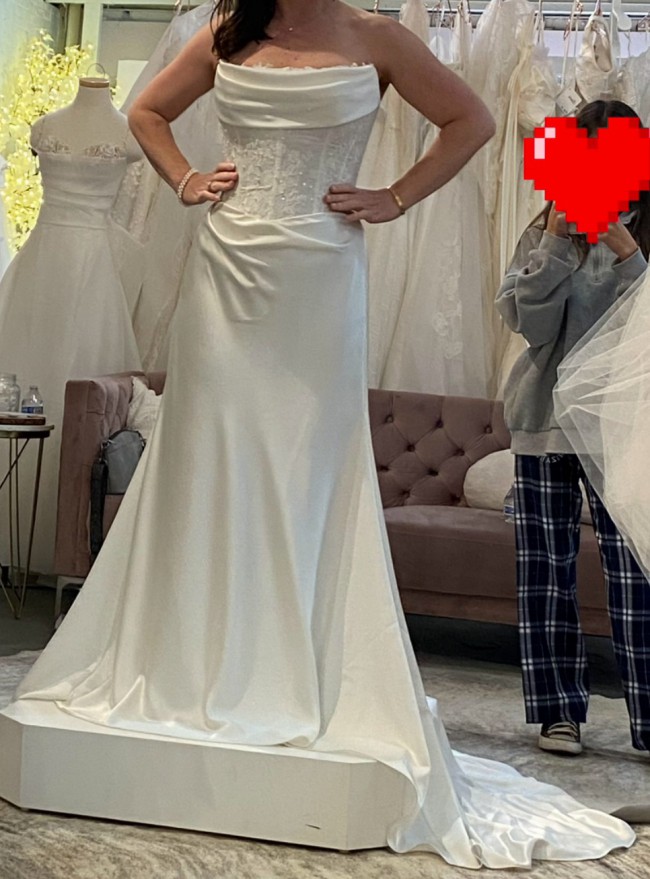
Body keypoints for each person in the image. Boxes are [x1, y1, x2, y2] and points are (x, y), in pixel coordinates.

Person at [9, 3, 636, 867]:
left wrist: (395, 196)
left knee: (306, 467)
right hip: (227, 269)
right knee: (206, 454)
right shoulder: (229, 29)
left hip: (320, 270)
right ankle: (187, 659)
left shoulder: (377, 36)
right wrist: (187, 180)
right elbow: (146, 111)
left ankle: (292, 668)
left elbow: (472, 121)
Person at [496, 99, 650, 758]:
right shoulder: (544, 231)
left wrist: (629, 254)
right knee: (545, 577)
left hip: (622, 430)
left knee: (637, 576)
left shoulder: (642, 229)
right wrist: (558, 244)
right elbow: (530, 327)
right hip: (543, 423)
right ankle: (558, 715)